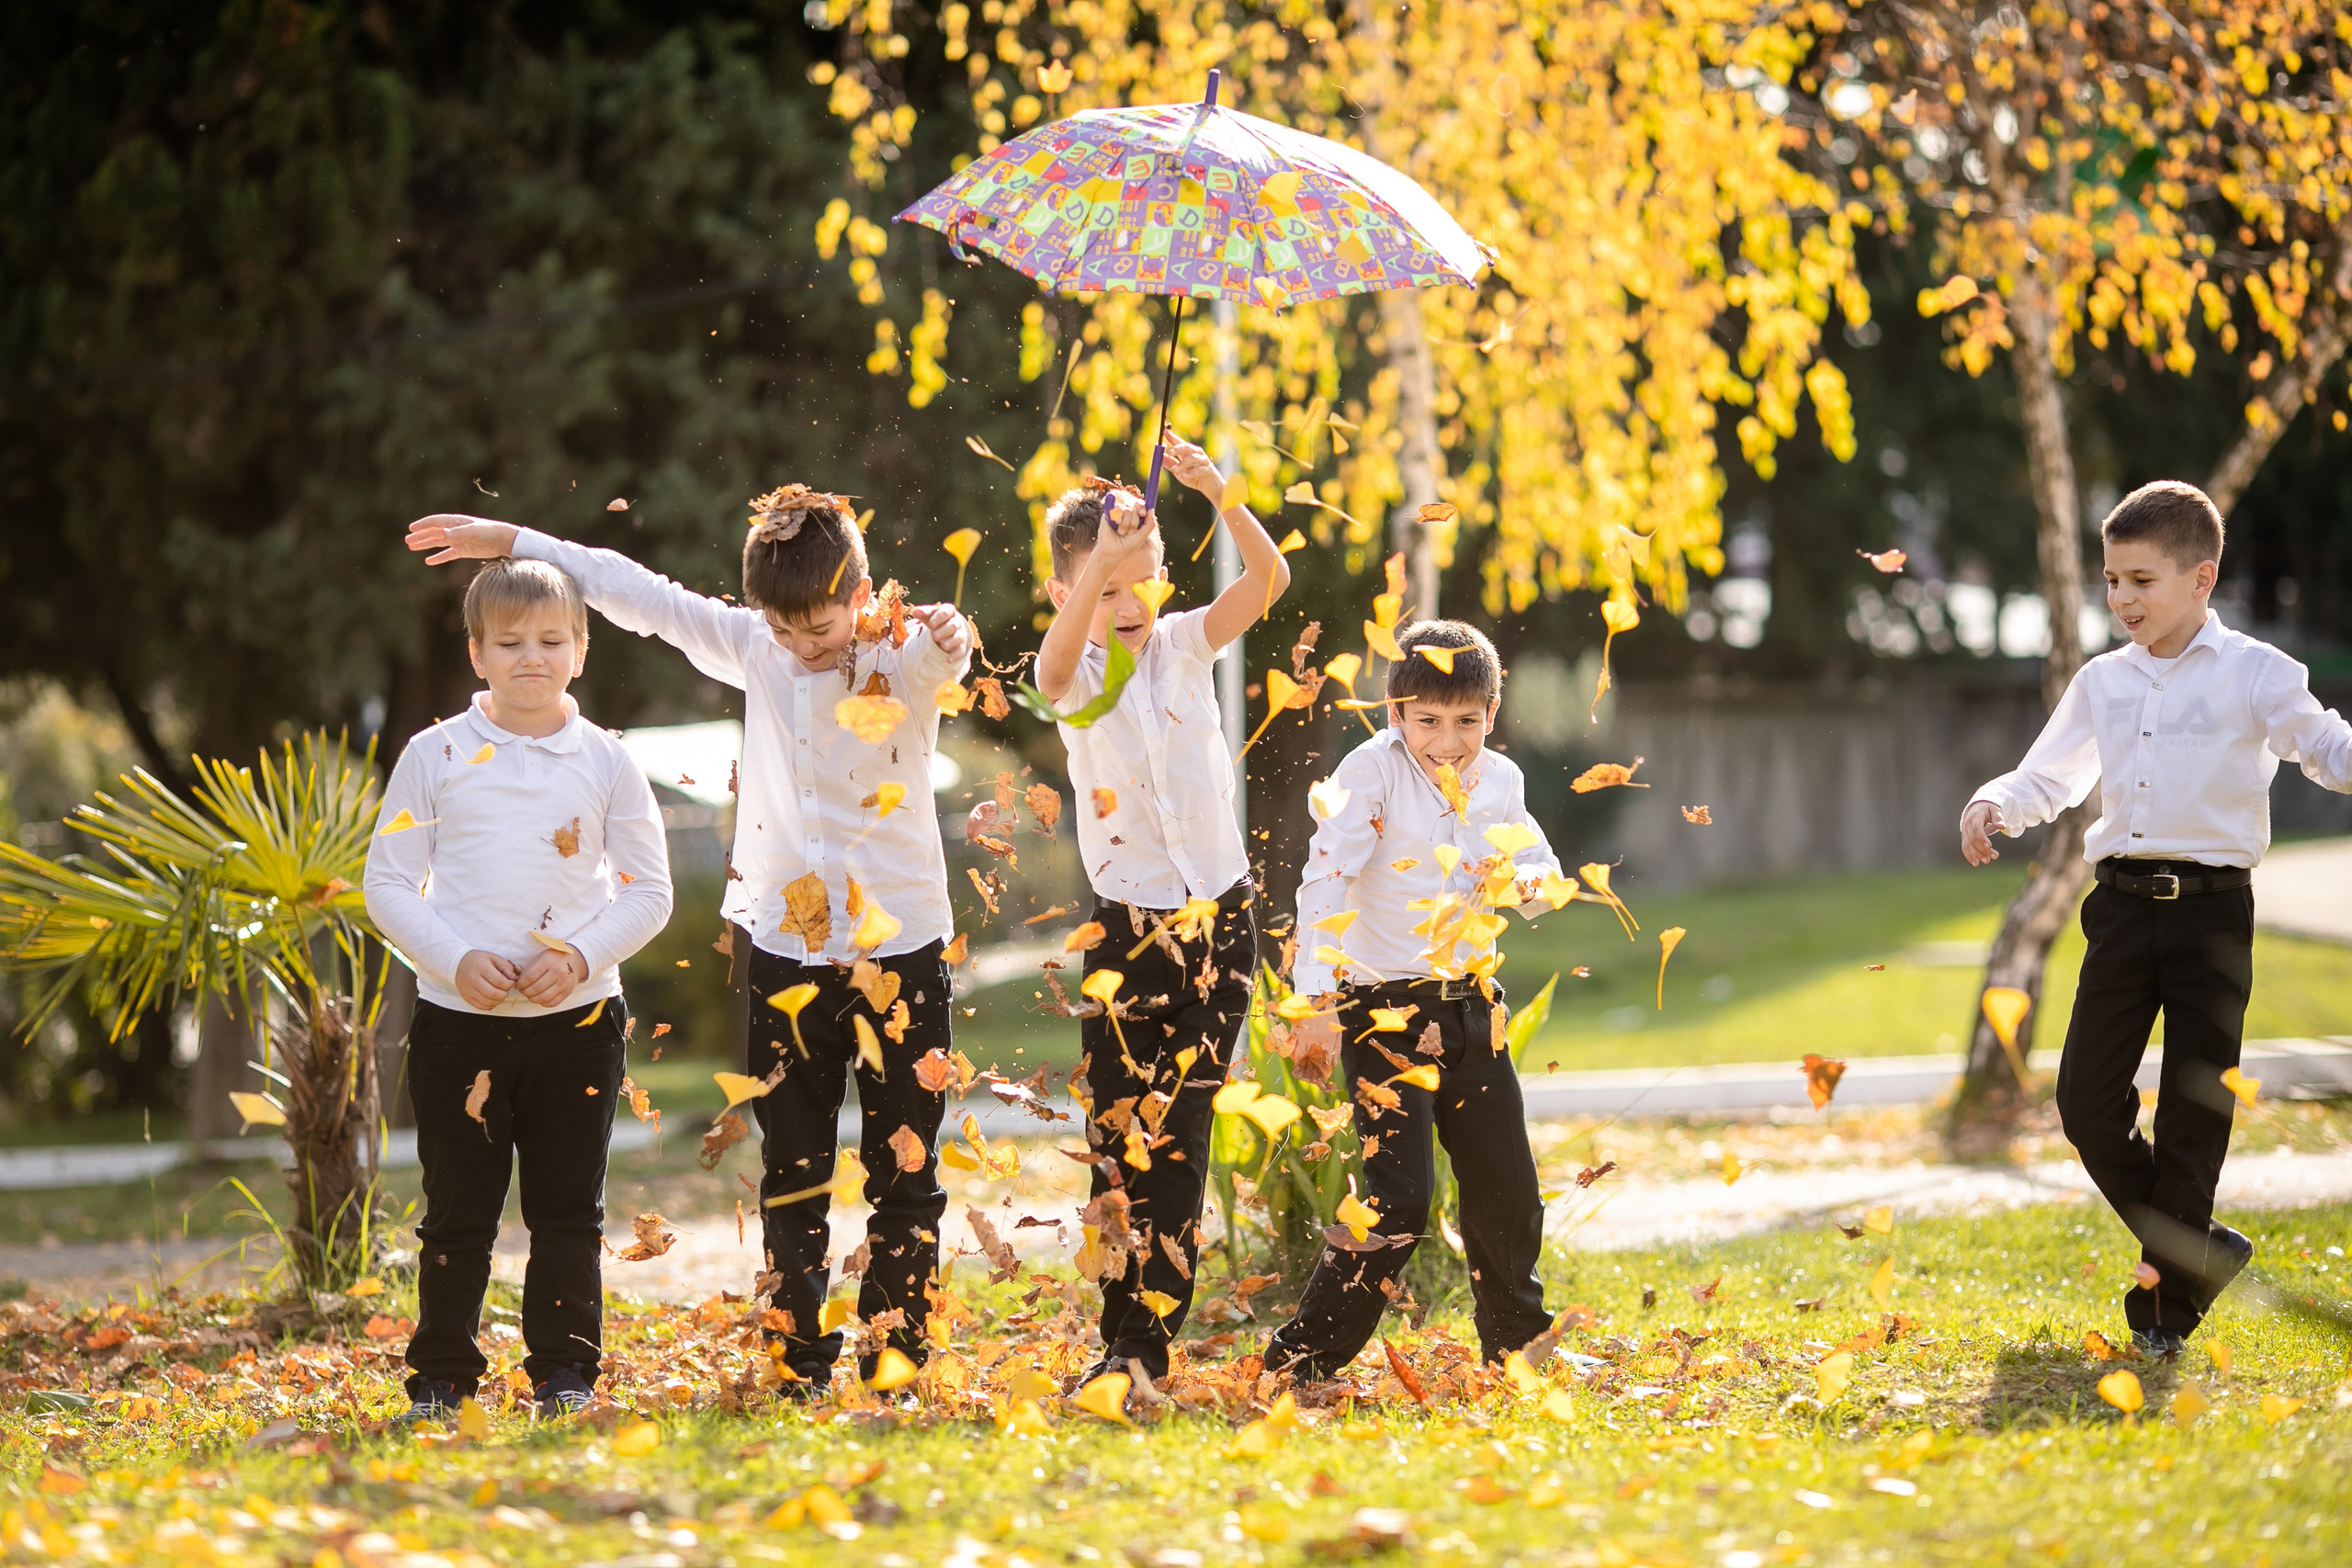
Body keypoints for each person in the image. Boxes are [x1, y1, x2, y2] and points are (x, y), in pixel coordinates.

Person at [406, 487, 972, 1397]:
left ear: (862, 592)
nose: (802, 648)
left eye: (821, 628)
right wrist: (511, 536)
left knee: (905, 1172)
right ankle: (798, 1364)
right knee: (791, 1170)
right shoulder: (759, 649)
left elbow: (951, 658)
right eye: (784, 632)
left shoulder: (903, 654)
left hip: (898, 947)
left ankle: (898, 1359)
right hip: (782, 946)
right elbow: (635, 592)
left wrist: (951, 637)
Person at [1961, 479, 2352, 1357]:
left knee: (2190, 1117)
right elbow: (2049, 776)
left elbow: (2325, 746)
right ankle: (2201, 1250)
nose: (2122, 598)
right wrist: (1994, 801)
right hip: (2122, 912)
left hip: (2214, 917)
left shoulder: (2258, 671)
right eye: (2110, 581)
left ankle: (2165, 1313)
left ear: (2201, 577)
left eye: (2141, 579)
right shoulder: (2103, 680)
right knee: (2085, 1103)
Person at [366, 556, 675, 1424]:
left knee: (567, 1209)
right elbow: (387, 883)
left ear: (581, 648)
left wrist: (578, 956)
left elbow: (651, 892)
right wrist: (456, 958)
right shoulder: (435, 755)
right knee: (457, 1212)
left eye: (550, 640)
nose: (530, 657)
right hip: (459, 1022)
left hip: (578, 1024)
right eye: (509, 642)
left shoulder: (610, 762)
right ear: (477, 654)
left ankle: (565, 1375)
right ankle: (440, 1379)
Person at [1028, 434, 1290, 1396]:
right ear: (1068, 595)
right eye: (1103, 587)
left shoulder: (1184, 644)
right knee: (1118, 1142)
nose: (1127, 603)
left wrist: (1219, 492)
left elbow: (1269, 577)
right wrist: (1099, 552)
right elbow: (1051, 682)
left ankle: (1145, 1342)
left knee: (1179, 1137)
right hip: (1127, 934)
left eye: (1141, 582)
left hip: (1218, 924)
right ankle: (1117, 1326)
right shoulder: (1076, 674)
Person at [1261, 619, 1563, 1382]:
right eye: (1428, 720)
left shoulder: (1501, 781)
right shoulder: (1372, 775)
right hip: (1385, 1011)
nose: (1448, 740)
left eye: (1466, 721)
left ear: (1491, 713)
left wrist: (1528, 885)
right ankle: (1304, 1357)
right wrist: (1318, 1001)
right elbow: (1323, 880)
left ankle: (1515, 1347)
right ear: (1396, 712)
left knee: (1508, 1187)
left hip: (1472, 1006)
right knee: (1399, 1198)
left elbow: (1538, 870)